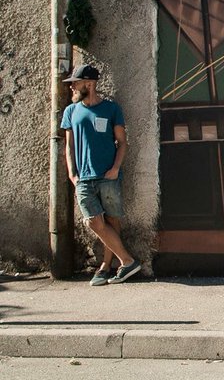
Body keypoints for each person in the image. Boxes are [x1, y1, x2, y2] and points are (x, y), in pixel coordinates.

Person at [61, 64, 141, 285]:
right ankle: (127, 261)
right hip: (83, 178)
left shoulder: (111, 109)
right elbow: (69, 147)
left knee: (111, 220)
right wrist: (72, 174)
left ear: (89, 84)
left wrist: (115, 168)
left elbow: (122, 142)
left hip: (108, 175)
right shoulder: (70, 111)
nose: (72, 87)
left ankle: (107, 266)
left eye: (75, 83)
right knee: (93, 222)